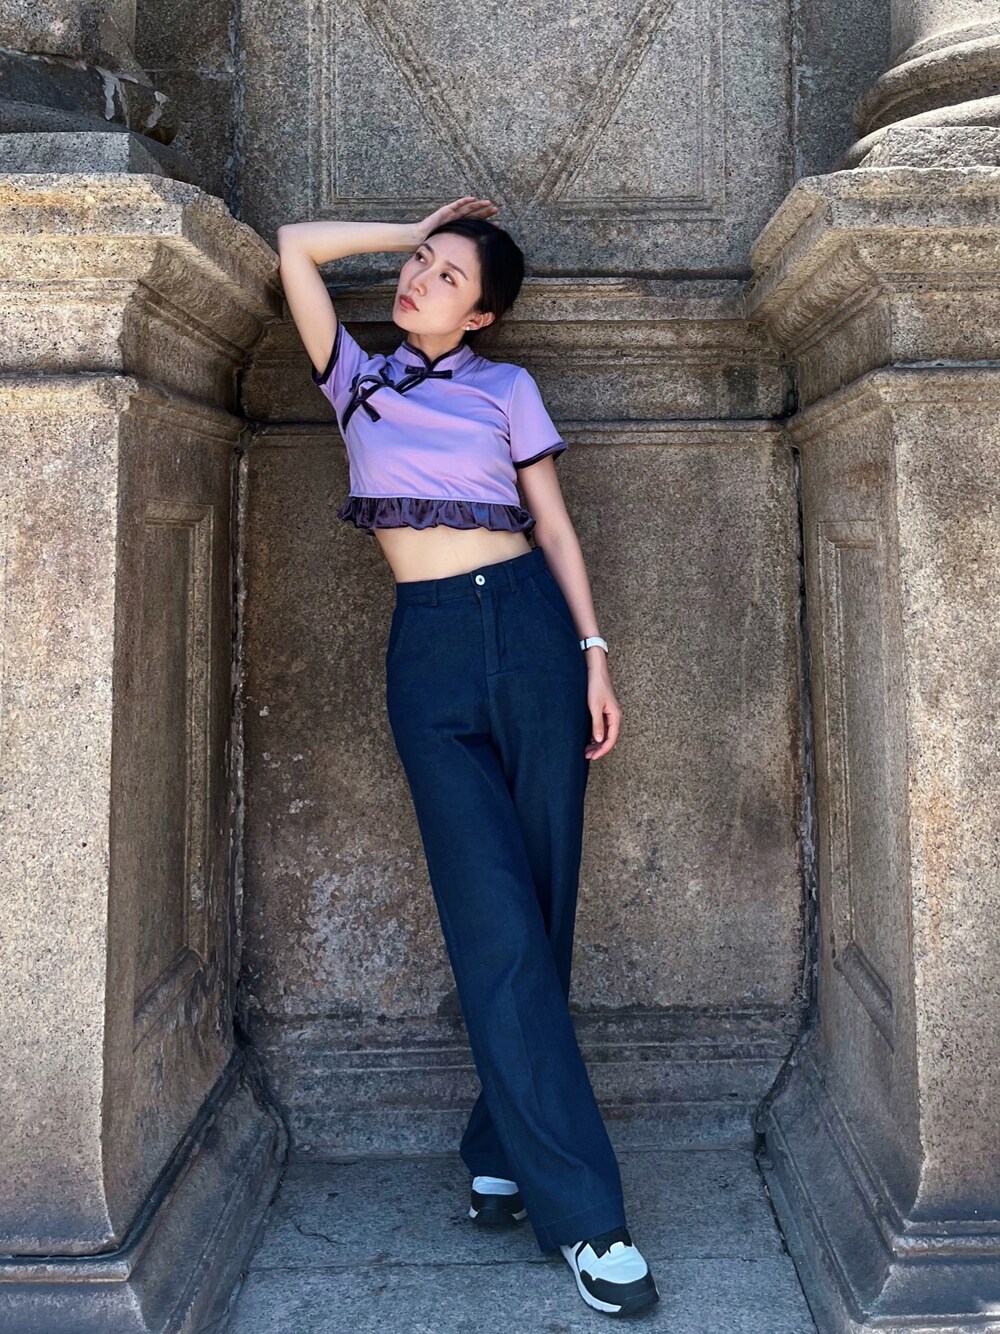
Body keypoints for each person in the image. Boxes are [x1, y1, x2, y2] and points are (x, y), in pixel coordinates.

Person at [276, 197, 659, 1318]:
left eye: (448, 276)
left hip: (533, 634)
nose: (420, 280)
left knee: (541, 902)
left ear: (481, 314)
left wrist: (593, 653)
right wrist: (411, 224)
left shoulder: (507, 388)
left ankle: (501, 1146)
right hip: (433, 652)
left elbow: (555, 526)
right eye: (420, 265)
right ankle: (586, 1215)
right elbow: (295, 250)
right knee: (493, 919)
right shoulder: (354, 377)